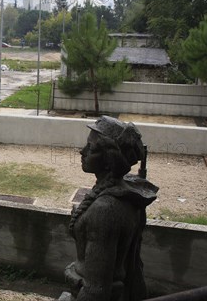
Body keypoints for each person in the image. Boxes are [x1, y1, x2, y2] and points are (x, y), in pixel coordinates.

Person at [60, 116, 158, 301]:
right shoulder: (126, 192)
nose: (82, 152)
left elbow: (96, 290)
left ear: (109, 159)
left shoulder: (105, 210)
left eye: (92, 148)